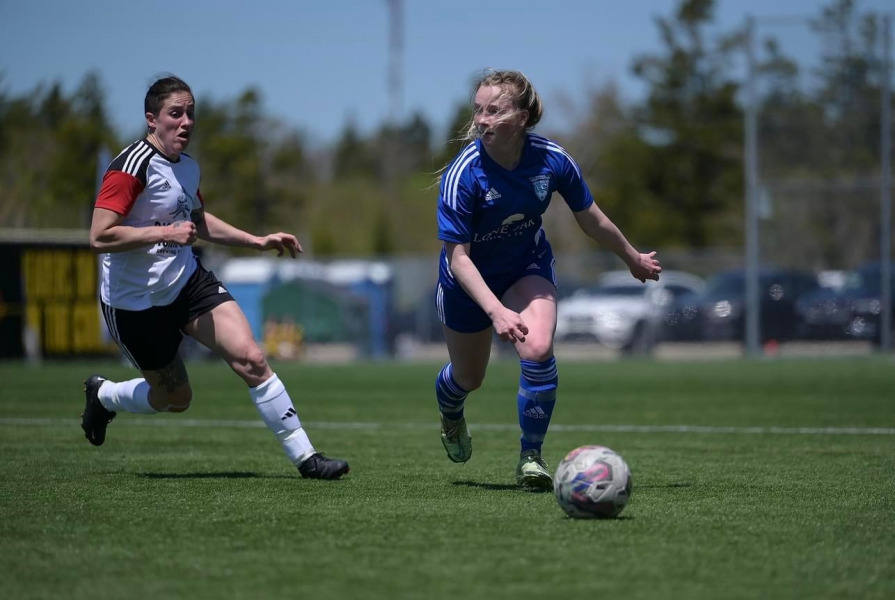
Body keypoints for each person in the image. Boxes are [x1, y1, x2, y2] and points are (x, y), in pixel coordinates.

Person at [80, 75, 349, 480]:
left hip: (188, 284)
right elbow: (99, 235)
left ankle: (307, 458)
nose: (186, 122)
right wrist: (165, 233)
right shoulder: (130, 167)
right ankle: (104, 396)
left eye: (191, 113)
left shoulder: (188, 168)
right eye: (176, 113)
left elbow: (198, 221)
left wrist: (257, 241)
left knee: (253, 358)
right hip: (134, 304)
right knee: (176, 398)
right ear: (151, 119)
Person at [433, 70, 661, 488]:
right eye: (478, 111)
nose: (483, 120)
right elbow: (459, 259)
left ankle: (530, 456)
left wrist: (632, 258)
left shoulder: (552, 159)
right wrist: (496, 310)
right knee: (470, 378)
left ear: (522, 116)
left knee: (537, 348)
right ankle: (450, 413)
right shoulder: (462, 175)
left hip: (526, 266)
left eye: (495, 110)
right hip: (468, 284)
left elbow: (591, 218)